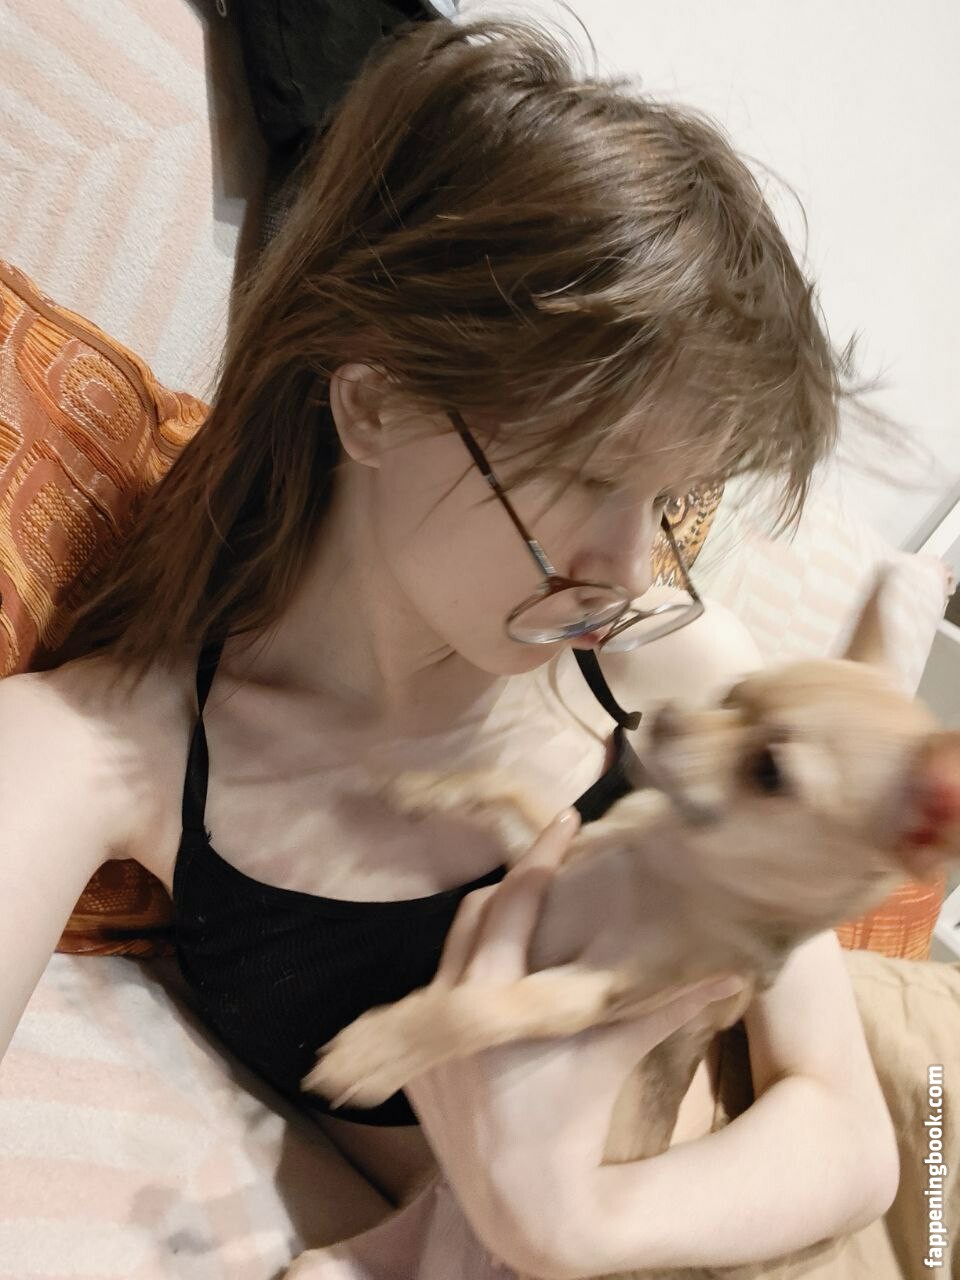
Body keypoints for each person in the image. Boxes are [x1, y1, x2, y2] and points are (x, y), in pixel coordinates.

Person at [0, 13, 912, 1278]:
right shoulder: (107, 744)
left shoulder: (664, 671)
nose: (634, 567)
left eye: (670, 499)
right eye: (589, 471)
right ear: (373, 400)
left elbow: (854, 1131)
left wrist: (575, 1226)